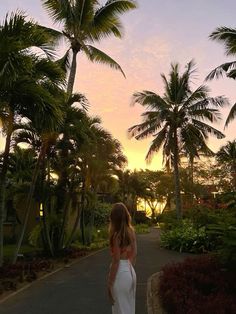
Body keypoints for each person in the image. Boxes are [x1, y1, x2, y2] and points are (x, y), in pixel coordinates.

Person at [107, 202, 137, 314]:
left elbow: (116, 261)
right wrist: (127, 268)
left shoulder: (116, 236)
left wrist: (109, 284)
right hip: (130, 271)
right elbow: (134, 254)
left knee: (120, 310)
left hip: (121, 274)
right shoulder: (131, 232)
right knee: (129, 308)